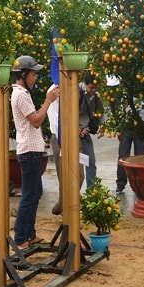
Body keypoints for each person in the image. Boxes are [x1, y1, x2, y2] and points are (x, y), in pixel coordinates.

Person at [11, 55, 59, 249]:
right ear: (23, 74)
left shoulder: (22, 92)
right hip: (29, 151)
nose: (35, 77)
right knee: (30, 194)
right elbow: (36, 120)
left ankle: (29, 234)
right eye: (33, 74)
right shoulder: (20, 94)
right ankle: (21, 237)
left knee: (34, 192)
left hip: (32, 149)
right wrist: (48, 101)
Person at [47, 84, 84, 215]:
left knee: (79, 175)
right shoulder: (53, 91)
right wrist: (62, 140)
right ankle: (65, 208)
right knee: (64, 175)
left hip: (74, 136)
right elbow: (56, 118)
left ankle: (62, 204)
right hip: (60, 137)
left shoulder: (74, 87)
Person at [79, 73, 104, 188]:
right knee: (75, 167)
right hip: (74, 133)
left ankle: (91, 192)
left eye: (95, 87)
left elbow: (101, 112)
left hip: (85, 134)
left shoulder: (97, 97)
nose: (93, 90)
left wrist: (101, 125)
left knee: (90, 162)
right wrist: (78, 130)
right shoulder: (77, 94)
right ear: (85, 85)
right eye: (90, 87)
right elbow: (67, 114)